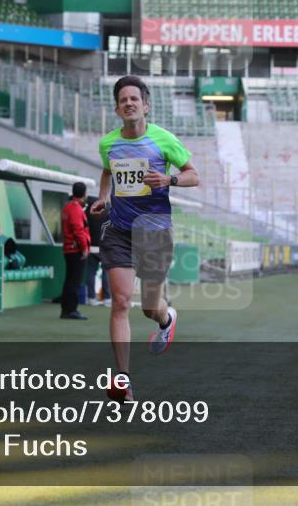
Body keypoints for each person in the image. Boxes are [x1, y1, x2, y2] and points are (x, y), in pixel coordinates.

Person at [89, 76, 200, 403]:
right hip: (120, 231)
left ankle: (166, 319)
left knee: (150, 306)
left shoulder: (163, 140)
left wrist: (169, 178)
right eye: (123, 99)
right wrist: (103, 197)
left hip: (154, 231)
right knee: (121, 301)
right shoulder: (108, 143)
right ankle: (122, 381)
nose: (129, 103)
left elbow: (194, 174)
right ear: (117, 108)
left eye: (134, 98)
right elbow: (108, 170)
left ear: (145, 105)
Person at [60, 182, 91, 320]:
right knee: (74, 281)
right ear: (84, 194)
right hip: (75, 250)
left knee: (70, 280)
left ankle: (66, 309)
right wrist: (84, 248)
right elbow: (78, 231)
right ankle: (71, 310)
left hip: (69, 249)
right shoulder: (76, 209)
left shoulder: (68, 208)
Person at [85, 196, 111, 306]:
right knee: (106, 273)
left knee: (91, 272)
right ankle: (107, 299)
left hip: (91, 247)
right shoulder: (106, 213)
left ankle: (91, 298)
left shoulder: (87, 213)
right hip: (104, 247)